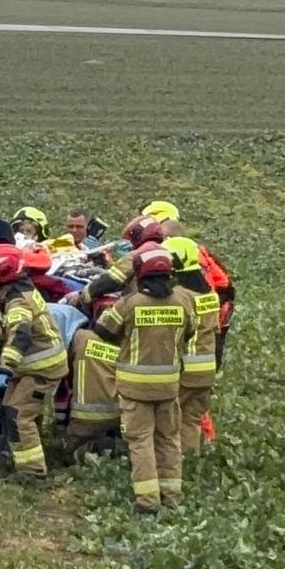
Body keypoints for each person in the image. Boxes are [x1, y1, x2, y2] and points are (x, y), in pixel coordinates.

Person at [92, 244, 196, 512]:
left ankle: (148, 501)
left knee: (141, 441)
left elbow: (102, 330)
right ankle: (171, 495)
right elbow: (191, 331)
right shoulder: (183, 301)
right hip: (169, 385)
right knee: (169, 439)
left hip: (134, 387)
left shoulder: (130, 303)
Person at [0, 244, 68, 479]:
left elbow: (20, 334)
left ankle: (32, 471)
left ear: (1, 275)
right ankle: (22, 458)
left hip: (42, 368)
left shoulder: (17, 301)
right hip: (35, 365)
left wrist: (5, 367)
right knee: (11, 410)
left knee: (20, 414)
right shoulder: (17, 291)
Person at [143, 199, 235, 365]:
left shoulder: (171, 254)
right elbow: (224, 284)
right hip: (212, 317)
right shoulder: (197, 249)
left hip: (197, 321)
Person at [165, 237, 220, 455]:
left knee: (172, 419)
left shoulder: (180, 295)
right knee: (192, 419)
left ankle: (174, 462)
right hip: (207, 367)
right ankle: (192, 461)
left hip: (185, 367)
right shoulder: (209, 293)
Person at [66, 290, 123, 460]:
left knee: (72, 454)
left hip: (84, 415)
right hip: (119, 413)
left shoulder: (80, 338)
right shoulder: (128, 342)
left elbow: (67, 375)